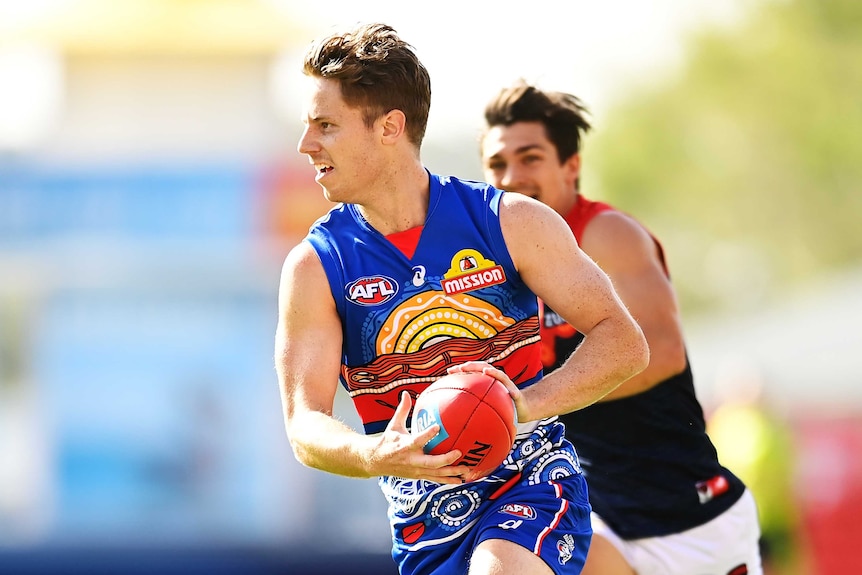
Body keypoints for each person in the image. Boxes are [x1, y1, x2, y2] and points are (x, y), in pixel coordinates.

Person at [275, 24, 649, 575]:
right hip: (425, 525)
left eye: (326, 126)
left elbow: (623, 341)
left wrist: (529, 406)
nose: (306, 145)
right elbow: (305, 425)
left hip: (532, 484)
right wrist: (373, 454)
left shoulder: (512, 223)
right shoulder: (316, 267)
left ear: (390, 128)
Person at [479, 81, 763, 575]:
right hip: (587, 507)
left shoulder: (608, 235)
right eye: (497, 165)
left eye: (529, 159)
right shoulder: (488, 267)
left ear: (571, 167)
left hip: (686, 510)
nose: (510, 178)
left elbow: (661, 353)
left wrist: (534, 401)